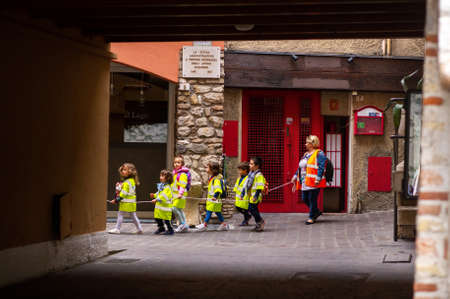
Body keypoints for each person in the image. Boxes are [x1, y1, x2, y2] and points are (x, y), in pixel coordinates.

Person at [291, 135, 326, 225]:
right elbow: (300, 167)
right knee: (304, 199)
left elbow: (321, 168)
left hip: (314, 181)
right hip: (305, 181)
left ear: (312, 144)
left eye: (307, 142)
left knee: (312, 199)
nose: (305, 144)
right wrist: (295, 176)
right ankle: (316, 211)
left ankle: (311, 217)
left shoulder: (319, 154)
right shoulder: (306, 155)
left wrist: (318, 179)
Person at [108, 163, 143, 234]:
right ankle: (139, 229)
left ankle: (117, 229)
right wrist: (119, 187)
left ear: (129, 172)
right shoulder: (131, 181)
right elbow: (126, 191)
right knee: (133, 216)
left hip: (125, 202)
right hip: (132, 203)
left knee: (120, 214)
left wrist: (116, 200)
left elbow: (123, 194)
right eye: (123, 170)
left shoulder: (127, 182)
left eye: (124, 170)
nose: (123, 171)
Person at [195, 161, 229, 232]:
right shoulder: (213, 178)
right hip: (213, 200)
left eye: (207, 167)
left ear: (212, 170)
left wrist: (215, 196)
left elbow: (218, 189)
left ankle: (204, 224)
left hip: (214, 200)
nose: (206, 168)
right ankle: (224, 224)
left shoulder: (216, 180)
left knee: (209, 211)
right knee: (217, 212)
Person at [244, 157, 266, 232]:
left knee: (251, 208)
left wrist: (256, 196)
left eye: (251, 164)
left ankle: (260, 221)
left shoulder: (258, 175)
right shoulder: (251, 174)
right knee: (253, 209)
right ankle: (258, 224)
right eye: (250, 163)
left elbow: (259, 187)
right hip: (251, 196)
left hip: (255, 196)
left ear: (257, 166)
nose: (249, 165)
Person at [150, 169, 175, 235]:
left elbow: (163, 196)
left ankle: (170, 230)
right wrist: (154, 195)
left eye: (162, 176)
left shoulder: (167, 188)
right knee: (158, 218)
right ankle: (161, 228)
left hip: (165, 208)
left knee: (167, 220)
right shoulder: (162, 186)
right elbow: (159, 193)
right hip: (160, 207)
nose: (160, 177)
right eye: (160, 175)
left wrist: (156, 199)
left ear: (167, 178)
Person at [172, 155, 190, 233]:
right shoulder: (175, 173)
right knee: (179, 209)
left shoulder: (182, 174)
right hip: (176, 195)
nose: (176, 164)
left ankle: (182, 224)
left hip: (180, 195)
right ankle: (184, 224)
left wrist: (180, 194)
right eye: (175, 162)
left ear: (182, 164)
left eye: (178, 162)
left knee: (174, 208)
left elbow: (183, 185)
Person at [233, 161, 251, 226]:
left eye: (240, 170)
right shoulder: (240, 178)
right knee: (238, 208)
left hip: (245, 197)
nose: (239, 171)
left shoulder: (248, 178)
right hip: (239, 197)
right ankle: (247, 217)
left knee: (245, 209)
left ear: (245, 170)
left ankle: (246, 220)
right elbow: (237, 185)